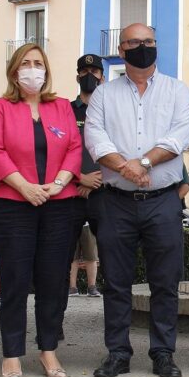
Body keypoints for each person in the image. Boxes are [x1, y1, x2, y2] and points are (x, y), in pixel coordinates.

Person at [85, 24, 189, 377]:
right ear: (121, 48)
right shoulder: (104, 94)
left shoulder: (178, 91)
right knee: (115, 281)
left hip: (162, 200)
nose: (143, 47)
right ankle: (118, 352)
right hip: (116, 201)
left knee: (165, 281)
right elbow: (95, 138)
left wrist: (143, 163)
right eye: (135, 42)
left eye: (149, 41)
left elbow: (178, 137)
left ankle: (163, 352)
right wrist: (126, 169)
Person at [0, 43, 82, 377]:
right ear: (14, 71)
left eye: (38, 63)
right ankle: (12, 354)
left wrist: (57, 183)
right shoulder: (0, 107)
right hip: (13, 205)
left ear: (47, 70)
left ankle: (48, 349)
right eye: (25, 63)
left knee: (53, 281)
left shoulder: (61, 107)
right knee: (13, 281)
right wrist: (25, 187)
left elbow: (74, 147)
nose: (32, 69)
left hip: (58, 204)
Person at [69, 53, 105, 298]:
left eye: (94, 72)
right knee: (61, 257)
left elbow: (121, 150)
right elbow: (57, 150)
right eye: (85, 72)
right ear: (77, 76)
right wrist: (80, 178)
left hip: (103, 193)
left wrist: (94, 181)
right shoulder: (66, 111)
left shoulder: (110, 112)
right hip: (70, 192)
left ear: (102, 78)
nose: (89, 76)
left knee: (110, 255)